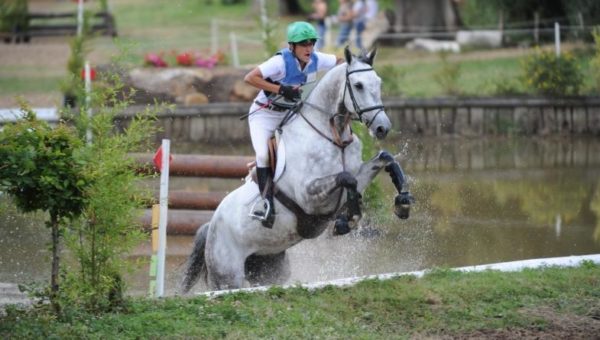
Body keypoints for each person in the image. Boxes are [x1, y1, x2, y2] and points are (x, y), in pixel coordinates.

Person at [243, 21, 342, 228]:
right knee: (262, 155)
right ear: (292, 46)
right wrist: (280, 89)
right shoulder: (279, 62)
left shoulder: (316, 59)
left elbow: (341, 62)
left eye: (311, 43)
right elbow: (250, 78)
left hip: (289, 115)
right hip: (264, 116)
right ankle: (266, 204)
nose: (309, 48)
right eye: (303, 44)